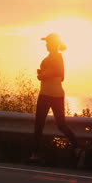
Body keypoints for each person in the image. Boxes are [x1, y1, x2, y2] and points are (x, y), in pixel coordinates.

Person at [31, 33, 79, 161]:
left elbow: (60, 74)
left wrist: (43, 76)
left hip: (49, 94)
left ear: (53, 43)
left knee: (49, 125)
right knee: (50, 125)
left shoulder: (57, 56)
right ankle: (35, 155)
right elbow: (58, 75)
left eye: (47, 42)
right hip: (53, 94)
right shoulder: (51, 57)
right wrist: (44, 74)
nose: (46, 44)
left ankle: (78, 148)